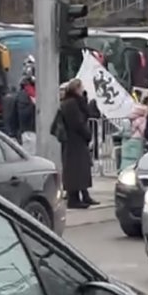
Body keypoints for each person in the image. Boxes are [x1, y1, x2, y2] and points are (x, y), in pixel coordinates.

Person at [56, 79, 97, 209]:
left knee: (81, 170)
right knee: (76, 171)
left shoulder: (74, 102)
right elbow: (77, 123)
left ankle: (84, 195)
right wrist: (87, 134)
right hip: (74, 141)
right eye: (81, 88)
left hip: (76, 142)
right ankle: (74, 199)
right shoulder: (71, 104)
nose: (82, 90)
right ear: (76, 89)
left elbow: (87, 113)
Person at [11, 77, 36, 154]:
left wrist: (14, 132)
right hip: (33, 130)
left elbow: (13, 115)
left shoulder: (18, 96)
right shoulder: (34, 95)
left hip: (23, 130)